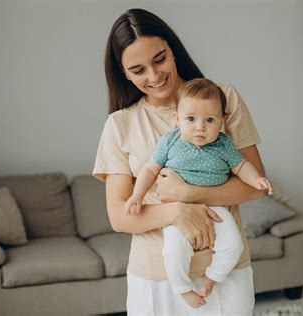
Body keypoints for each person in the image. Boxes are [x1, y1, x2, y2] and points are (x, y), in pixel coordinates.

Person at [93, 8, 267, 315]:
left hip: (225, 272)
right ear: (123, 73)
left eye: (160, 59)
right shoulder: (120, 124)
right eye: (138, 70)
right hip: (156, 277)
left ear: (173, 50)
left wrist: (188, 194)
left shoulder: (221, 99)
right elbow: (120, 217)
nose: (154, 76)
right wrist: (176, 211)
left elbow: (253, 187)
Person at [123, 78, 273, 308]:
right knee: (173, 250)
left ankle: (212, 279)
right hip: (178, 212)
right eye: (191, 119)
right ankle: (183, 289)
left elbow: (242, 167)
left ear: (222, 122)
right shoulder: (170, 140)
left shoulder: (223, 145)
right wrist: (137, 196)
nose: (200, 126)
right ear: (177, 119)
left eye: (210, 120)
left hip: (216, 208)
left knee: (234, 244)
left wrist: (257, 179)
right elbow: (150, 169)